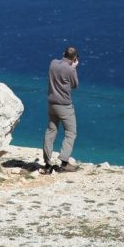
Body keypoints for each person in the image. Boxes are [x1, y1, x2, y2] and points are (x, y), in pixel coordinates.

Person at [41, 46, 80, 174]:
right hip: (65, 106)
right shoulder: (70, 70)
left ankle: (47, 164)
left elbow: (60, 65)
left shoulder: (52, 63)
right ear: (74, 58)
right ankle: (64, 163)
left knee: (50, 132)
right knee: (70, 132)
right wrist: (74, 68)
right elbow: (75, 86)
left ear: (63, 53)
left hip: (52, 104)